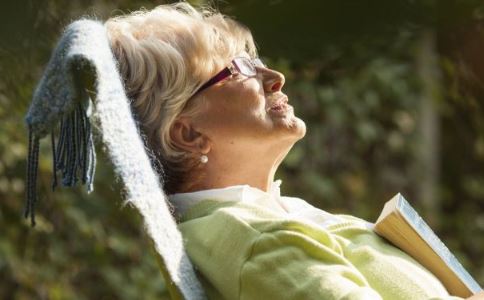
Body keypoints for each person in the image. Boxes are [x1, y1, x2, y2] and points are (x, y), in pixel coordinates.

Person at [105, 3, 483, 300]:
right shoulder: (251, 238)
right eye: (237, 69)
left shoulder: (270, 214)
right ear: (187, 132)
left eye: (255, 61)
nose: (274, 77)